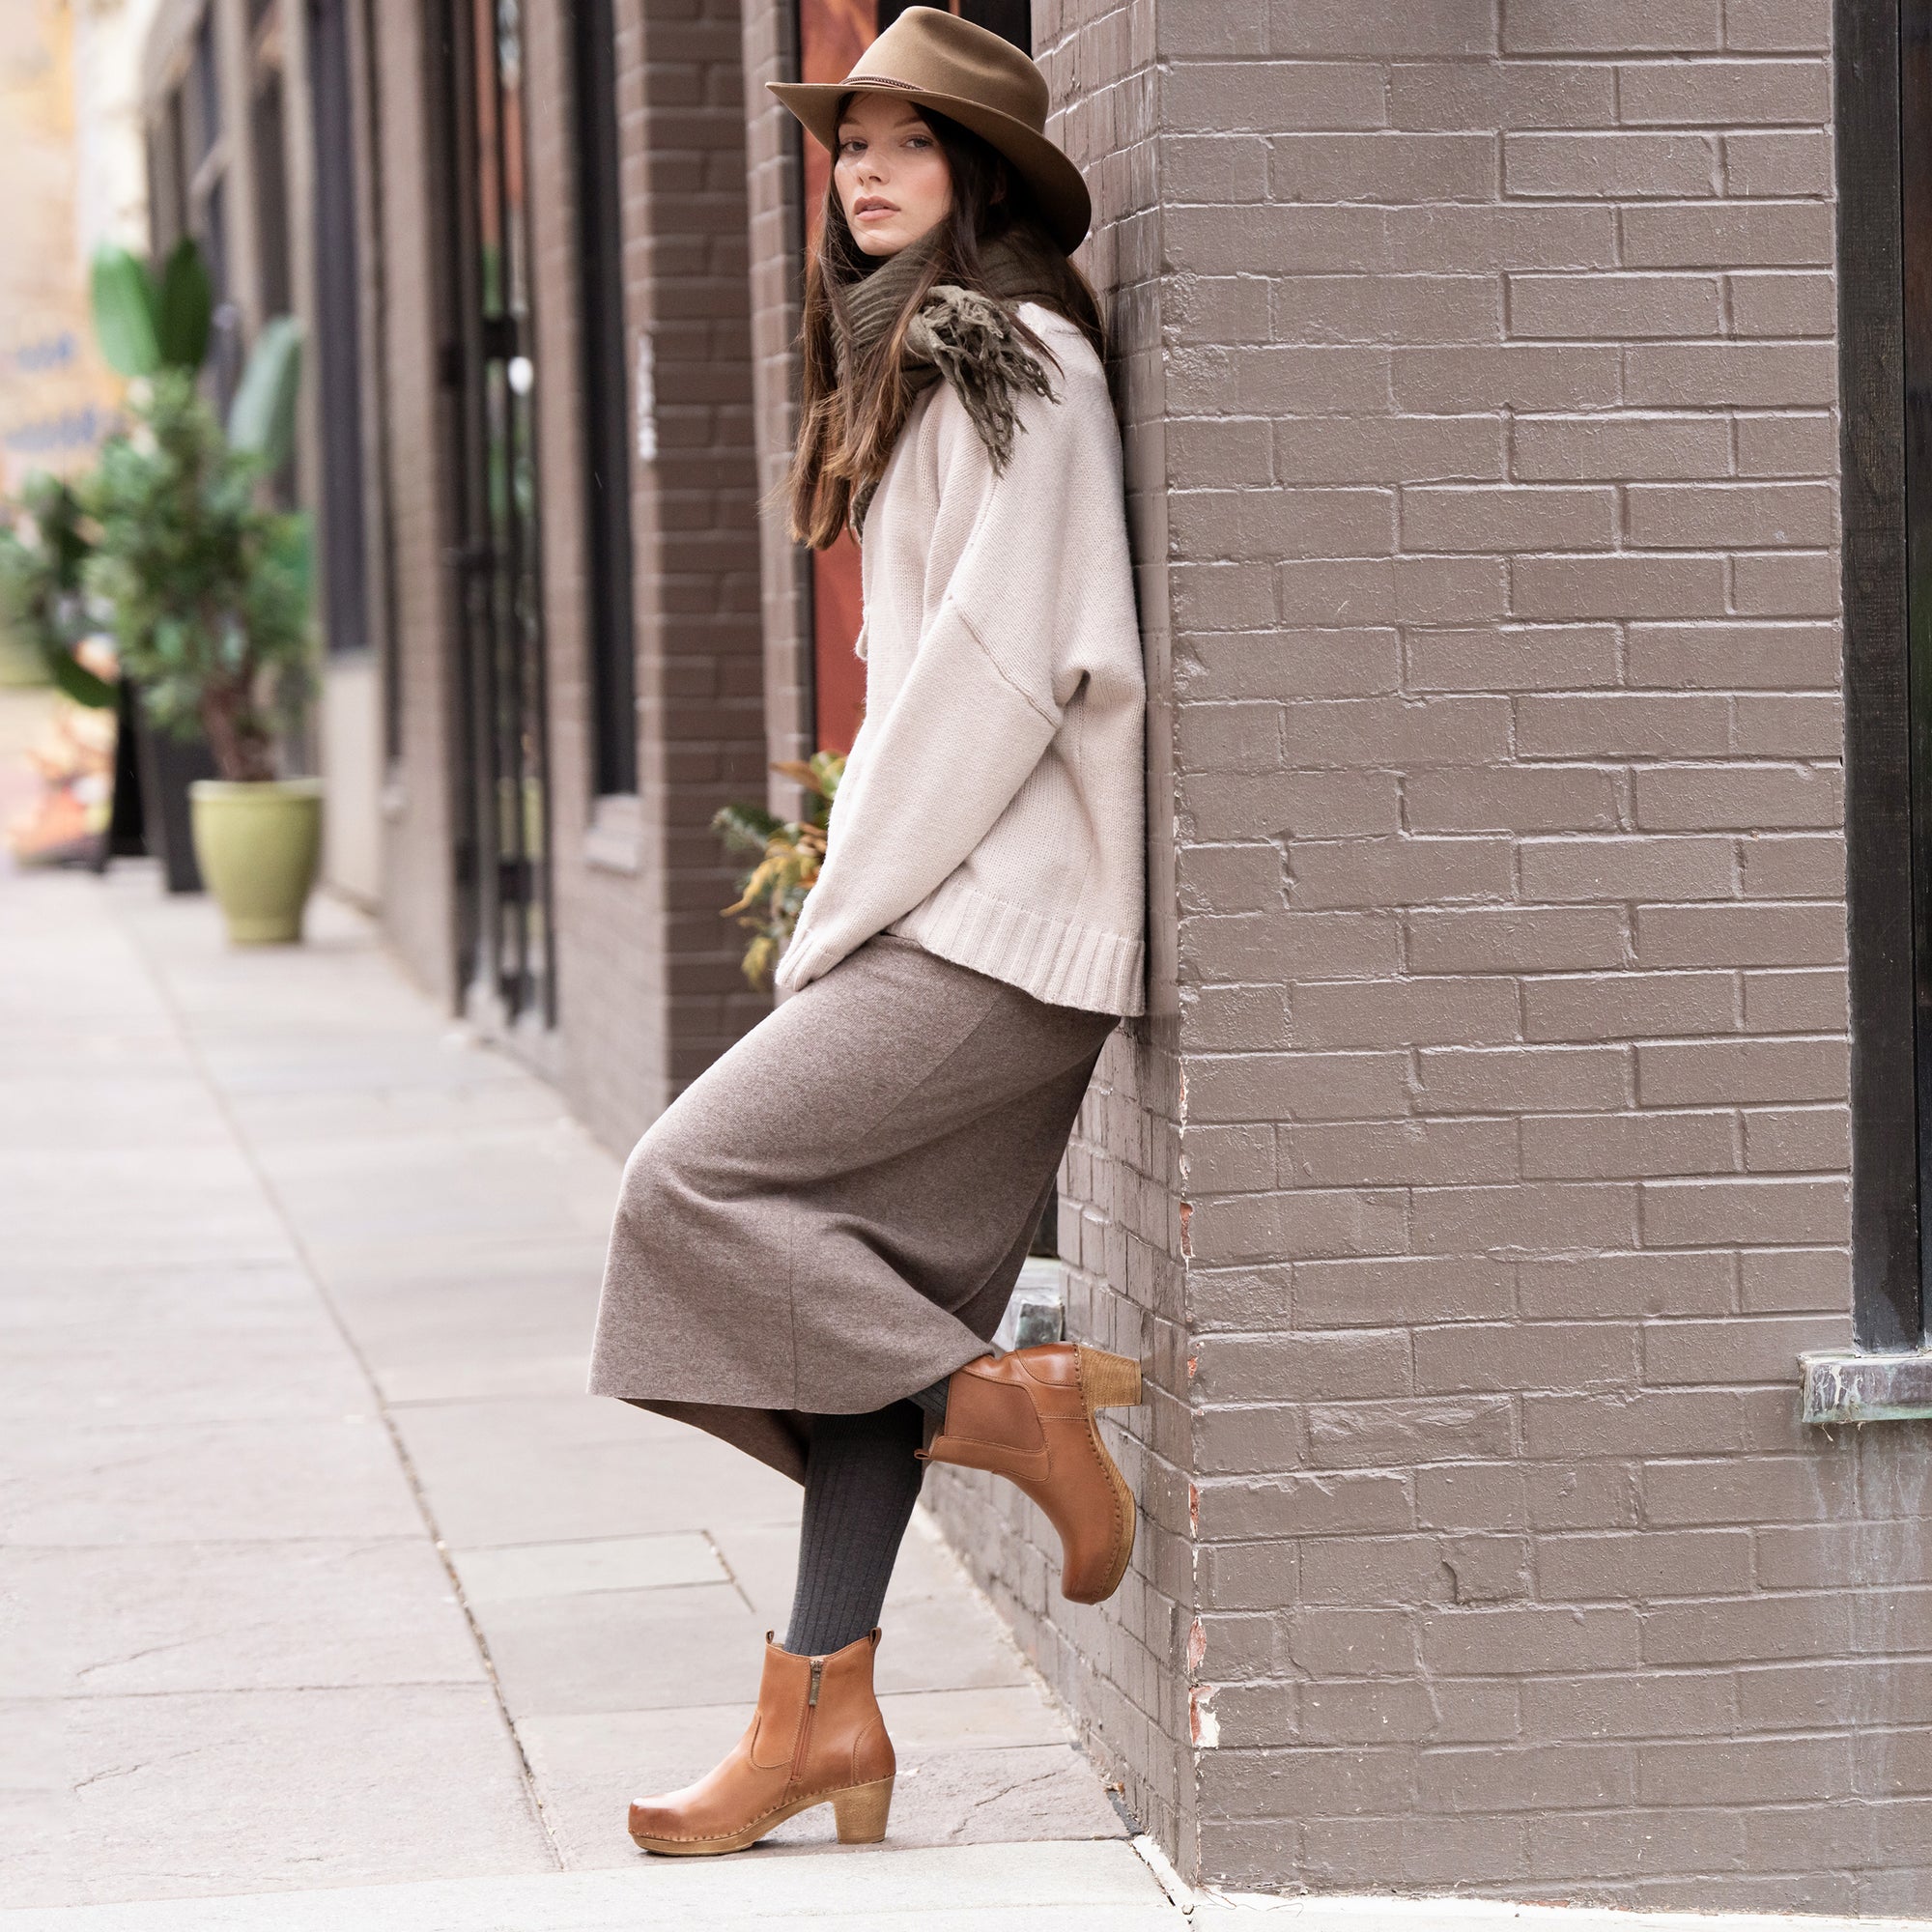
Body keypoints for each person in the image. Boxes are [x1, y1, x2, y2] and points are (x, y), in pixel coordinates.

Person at [587, 7, 1149, 1858]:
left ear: (979, 174)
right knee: (835, 1320)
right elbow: (917, 674)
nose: (866, 169)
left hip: (1000, 930)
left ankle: (1004, 1403)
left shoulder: (1021, 365)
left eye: (909, 143)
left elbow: (990, 688)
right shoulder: (920, 366)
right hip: (978, 914)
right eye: (850, 145)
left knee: (690, 1187)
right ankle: (825, 1713)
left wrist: (837, 914)